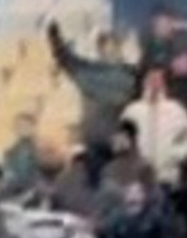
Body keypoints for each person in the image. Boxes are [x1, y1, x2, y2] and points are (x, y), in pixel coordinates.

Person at [47, 23, 139, 166]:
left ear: (120, 50)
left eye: (115, 47)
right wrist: (55, 40)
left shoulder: (130, 75)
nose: (111, 52)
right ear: (100, 51)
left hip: (115, 140)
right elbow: (67, 60)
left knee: (117, 173)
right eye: (107, 48)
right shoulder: (90, 71)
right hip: (92, 139)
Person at [121, 68, 187, 185]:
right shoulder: (132, 110)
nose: (154, 83)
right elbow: (122, 140)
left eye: (158, 79)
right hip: (137, 180)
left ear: (164, 83)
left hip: (167, 178)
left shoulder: (175, 110)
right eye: (151, 79)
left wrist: (177, 154)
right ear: (144, 82)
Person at [99, 179, 184, 238]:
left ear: (144, 195)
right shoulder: (117, 217)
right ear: (124, 196)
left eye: (137, 192)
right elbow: (107, 236)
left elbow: (170, 235)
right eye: (130, 192)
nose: (133, 195)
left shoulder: (154, 216)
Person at [0, 112, 41, 196]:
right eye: (18, 126)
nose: (20, 129)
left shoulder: (34, 147)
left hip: (27, 191)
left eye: (25, 126)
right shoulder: (16, 146)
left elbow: (25, 174)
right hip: (16, 188)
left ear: (33, 128)